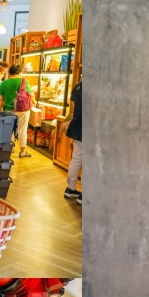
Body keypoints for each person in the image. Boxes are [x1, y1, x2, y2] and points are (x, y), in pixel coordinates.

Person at [0, 64, 32, 158]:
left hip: (9, 111)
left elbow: (0, 99)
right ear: (19, 72)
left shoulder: (4, 83)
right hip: (23, 110)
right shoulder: (23, 81)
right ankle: (22, 152)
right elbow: (31, 94)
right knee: (22, 130)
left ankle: (10, 149)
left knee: (9, 131)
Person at [64, 75, 82, 203]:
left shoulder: (77, 87)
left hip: (77, 125)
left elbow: (74, 108)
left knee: (76, 158)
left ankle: (70, 188)